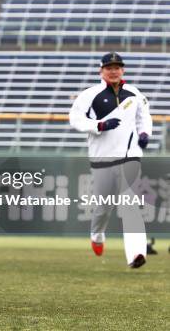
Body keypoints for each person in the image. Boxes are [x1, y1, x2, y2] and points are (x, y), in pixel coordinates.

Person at [69, 52, 152, 269]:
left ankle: (136, 254)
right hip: (102, 158)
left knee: (131, 204)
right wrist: (98, 126)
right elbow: (75, 118)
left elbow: (144, 116)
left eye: (117, 67)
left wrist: (144, 134)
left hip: (130, 156)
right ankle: (97, 235)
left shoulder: (133, 93)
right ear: (101, 70)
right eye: (109, 67)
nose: (114, 70)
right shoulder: (91, 94)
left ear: (123, 69)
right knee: (103, 207)